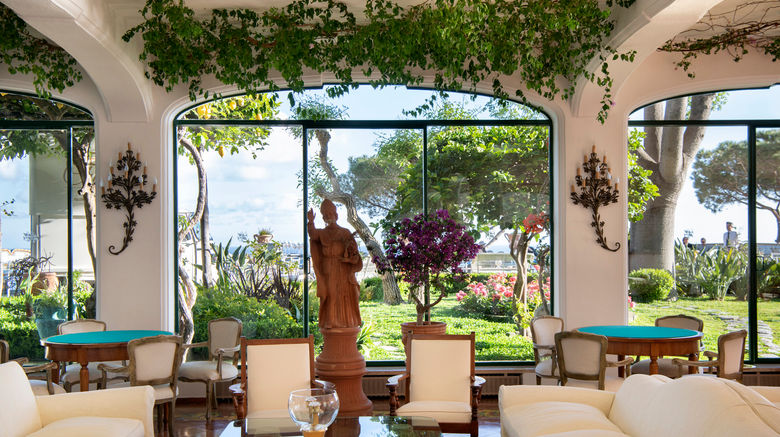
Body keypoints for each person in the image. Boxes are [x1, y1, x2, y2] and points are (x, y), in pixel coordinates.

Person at [307, 199, 362, 329]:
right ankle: (330, 322)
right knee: (331, 294)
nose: (328, 217)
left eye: (330, 214)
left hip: (343, 269)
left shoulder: (345, 232)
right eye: (325, 215)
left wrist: (349, 259)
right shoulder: (322, 233)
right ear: (323, 218)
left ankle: (348, 322)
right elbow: (313, 235)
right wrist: (311, 222)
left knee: (345, 295)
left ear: (336, 215)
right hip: (328, 270)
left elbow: (354, 253)